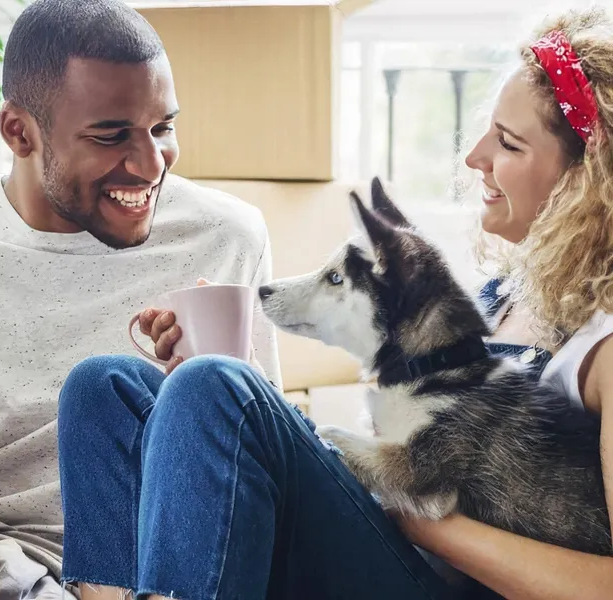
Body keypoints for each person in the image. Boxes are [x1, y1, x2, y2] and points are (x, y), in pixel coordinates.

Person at [57, 6, 613, 600]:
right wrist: (209, 408)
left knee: (215, 388)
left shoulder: (603, 345)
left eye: (507, 143)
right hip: (395, 539)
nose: (475, 156)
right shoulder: (505, 294)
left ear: (589, 179)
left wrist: (421, 518)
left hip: (444, 577)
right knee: (105, 385)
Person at [0, 1, 281, 598]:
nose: (149, 165)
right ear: (18, 131)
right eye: (111, 135)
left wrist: (199, 399)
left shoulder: (225, 238)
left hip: (136, 568)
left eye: (162, 128)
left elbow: (266, 463)